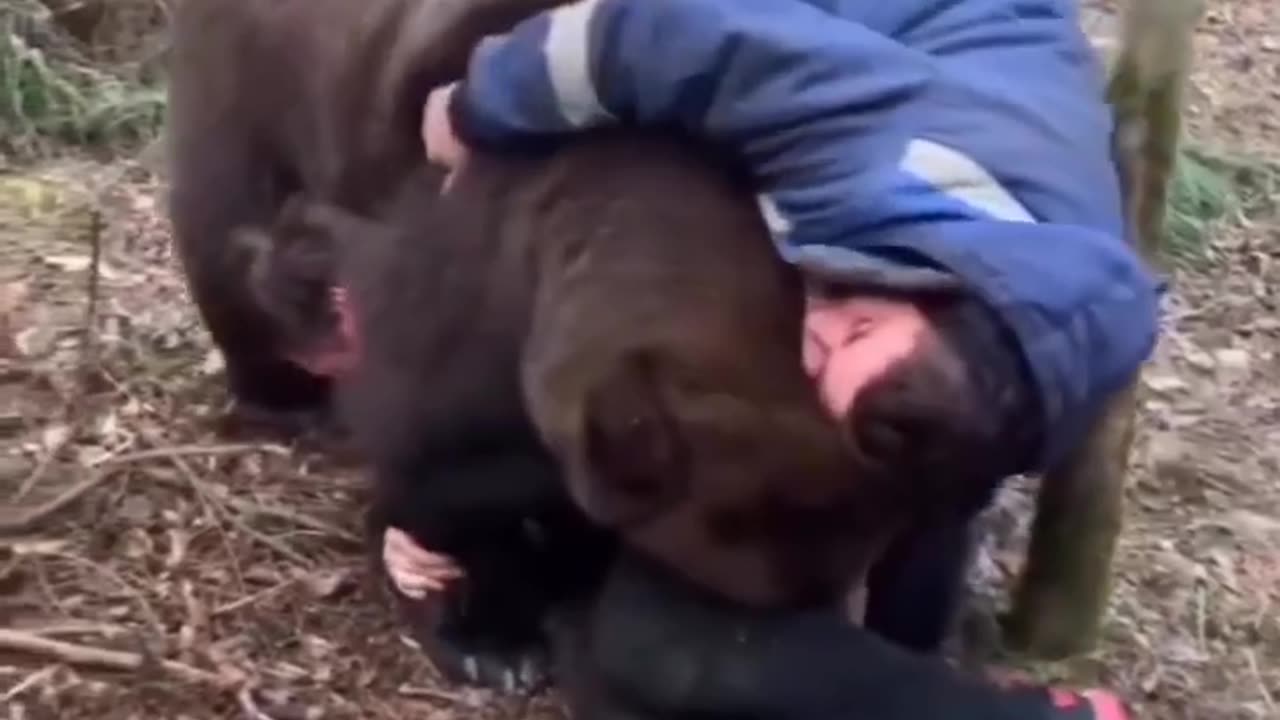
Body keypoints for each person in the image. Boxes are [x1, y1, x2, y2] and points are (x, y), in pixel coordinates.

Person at [391, 0, 1159, 713]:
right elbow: (656, 35)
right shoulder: (872, 155)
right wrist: (474, 109)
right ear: (941, 289)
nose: (816, 339)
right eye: (853, 331)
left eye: (834, 360)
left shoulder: (1049, 360)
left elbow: (949, 467)